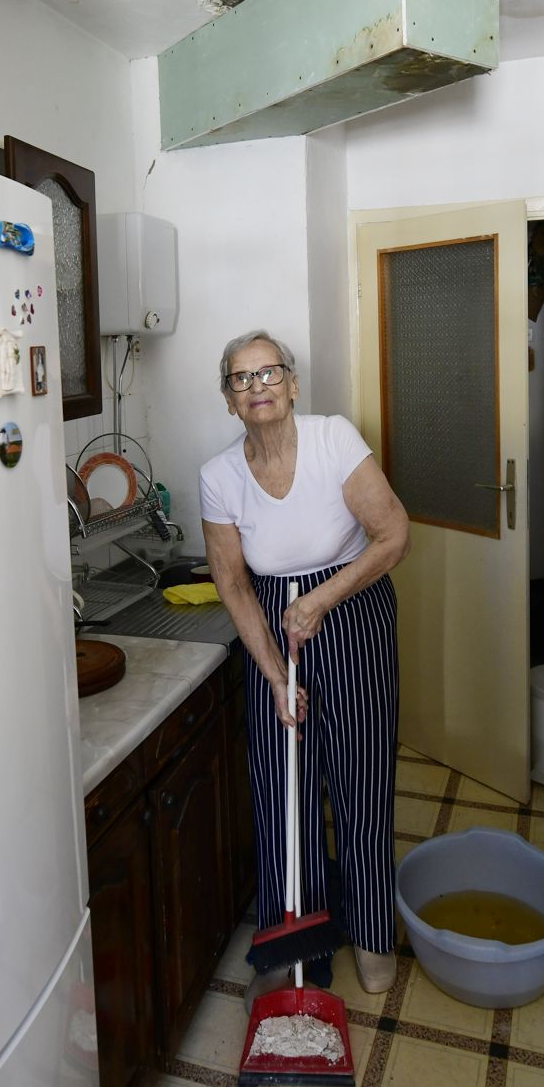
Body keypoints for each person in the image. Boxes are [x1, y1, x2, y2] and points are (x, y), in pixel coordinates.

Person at [200, 330, 410, 999]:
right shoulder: (218, 476)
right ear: (230, 402)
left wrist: (321, 599)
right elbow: (233, 583)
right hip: (269, 623)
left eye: (269, 373)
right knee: (281, 786)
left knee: (360, 778)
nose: (257, 386)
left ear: (292, 385)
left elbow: (393, 534)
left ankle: (373, 931)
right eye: (241, 379)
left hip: (351, 610)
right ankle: (298, 939)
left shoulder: (334, 440)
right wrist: (272, 674)